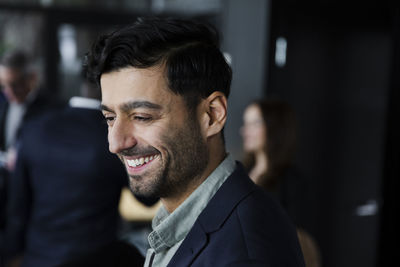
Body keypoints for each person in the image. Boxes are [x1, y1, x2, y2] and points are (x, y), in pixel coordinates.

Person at [84, 17, 305, 266]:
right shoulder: (183, 221)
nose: (115, 143)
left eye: (142, 117)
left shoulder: (246, 255)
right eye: (110, 118)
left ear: (211, 115)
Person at [0, 79, 153, 267]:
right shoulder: (114, 138)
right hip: (96, 258)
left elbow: (18, 208)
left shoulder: (34, 128)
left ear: (82, 87)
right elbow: (147, 197)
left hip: (39, 259)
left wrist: (10, 255)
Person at [241, 99, 321, 267]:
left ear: (274, 127)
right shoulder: (239, 173)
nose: (245, 130)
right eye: (246, 123)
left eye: (255, 123)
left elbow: (297, 240)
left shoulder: (292, 181)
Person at [0, 50, 62, 234]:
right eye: (4, 86)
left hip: (38, 200)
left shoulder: (54, 109)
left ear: (32, 78)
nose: (9, 93)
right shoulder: (3, 102)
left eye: (15, 85)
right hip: (6, 198)